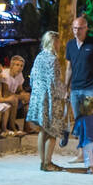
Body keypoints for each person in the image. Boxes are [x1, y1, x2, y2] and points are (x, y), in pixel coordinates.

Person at [27, 31, 70, 171]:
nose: (59, 44)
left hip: (38, 97)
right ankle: (48, 163)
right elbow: (54, 81)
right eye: (58, 41)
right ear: (53, 42)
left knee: (43, 130)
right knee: (52, 131)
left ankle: (43, 162)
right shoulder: (52, 59)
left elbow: (32, 79)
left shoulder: (39, 57)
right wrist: (64, 93)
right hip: (50, 98)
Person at [65, 14, 93, 119]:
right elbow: (69, 68)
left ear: (86, 28)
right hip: (75, 88)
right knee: (79, 122)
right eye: (74, 28)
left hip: (91, 88)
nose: (77, 31)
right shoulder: (70, 44)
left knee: (91, 120)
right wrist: (65, 89)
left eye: (80, 28)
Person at [71, 94, 93, 173]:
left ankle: (90, 168)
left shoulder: (81, 119)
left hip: (87, 140)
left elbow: (76, 130)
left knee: (88, 154)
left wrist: (75, 135)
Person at [3, 55, 35, 131]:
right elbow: (6, 93)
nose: (19, 67)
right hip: (4, 98)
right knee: (15, 99)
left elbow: (19, 90)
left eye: (21, 66)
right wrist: (21, 97)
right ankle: (12, 126)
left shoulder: (19, 74)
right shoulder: (5, 75)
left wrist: (24, 94)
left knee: (27, 99)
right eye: (17, 65)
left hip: (13, 97)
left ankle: (27, 126)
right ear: (11, 65)